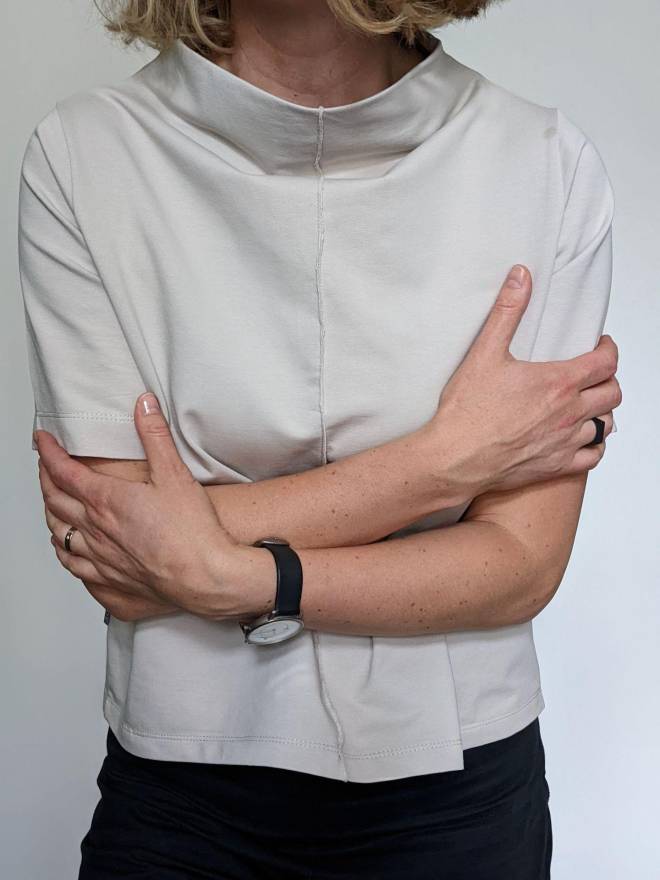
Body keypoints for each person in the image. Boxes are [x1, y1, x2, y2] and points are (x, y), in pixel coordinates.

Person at [17, 0, 621, 876]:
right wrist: (442, 463)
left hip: (459, 792)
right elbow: (118, 556)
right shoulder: (84, 153)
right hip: (182, 794)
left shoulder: (543, 161)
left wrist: (237, 576)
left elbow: (521, 565)